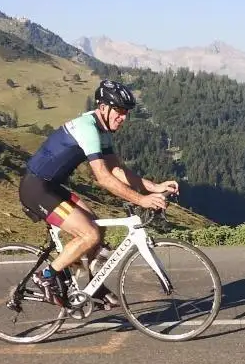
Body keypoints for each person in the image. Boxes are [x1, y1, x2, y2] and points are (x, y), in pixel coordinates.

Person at [19, 78, 179, 307]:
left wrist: (154, 187)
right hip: (36, 189)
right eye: (119, 111)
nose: (123, 118)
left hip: (51, 187)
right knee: (89, 234)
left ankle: (93, 286)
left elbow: (116, 170)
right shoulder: (88, 128)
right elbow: (104, 178)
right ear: (103, 107)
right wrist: (142, 200)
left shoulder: (102, 131)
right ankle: (45, 277)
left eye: (126, 113)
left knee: (97, 227)